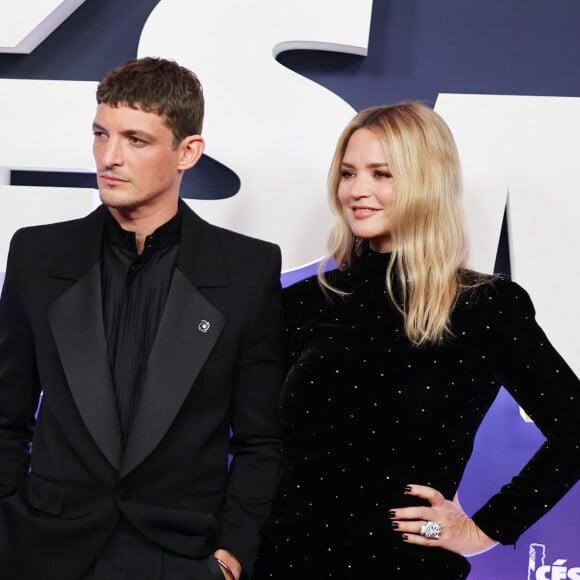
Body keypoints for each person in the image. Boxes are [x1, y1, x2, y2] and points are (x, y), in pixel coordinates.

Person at [252, 102, 580, 579]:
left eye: (381, 174)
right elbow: (260, 446)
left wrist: (482, 528)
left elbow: (574, 431)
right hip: (282, 564)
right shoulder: (305, 301)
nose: (358, 191)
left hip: (402, 568)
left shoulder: (482, 305)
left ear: (427, 181)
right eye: (348, 173)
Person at [0, 57, 284, 580]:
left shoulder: (248, 269)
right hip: (46, 550)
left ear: (188, 152)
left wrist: (231, 556)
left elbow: (259, 440)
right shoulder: (37, 255)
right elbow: (6, 414)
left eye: (136, 140)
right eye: (100, 134)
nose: (109, 157)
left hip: (180, 557)